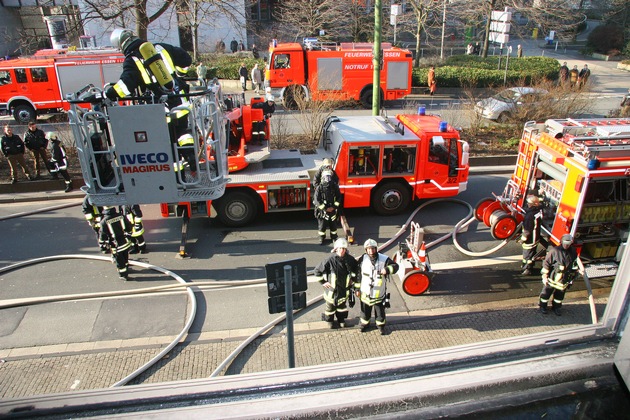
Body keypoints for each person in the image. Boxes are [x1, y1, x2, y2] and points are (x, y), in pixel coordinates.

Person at [106, 28, 192, 139]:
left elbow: (125, 86)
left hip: (159, 111)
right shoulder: (160, 47)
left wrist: (107, 95)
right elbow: (186, 60)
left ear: (121, 46)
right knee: (184, 136)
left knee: (164, 143)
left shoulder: (132, 60)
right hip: (181, 103)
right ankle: (190, 154)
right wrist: (180, 75)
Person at [355, 239, 399, 334]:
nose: (371, 251)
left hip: (379, 293)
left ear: (376, 249)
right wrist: (357, 289)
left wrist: (387, 269)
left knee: (380, 312)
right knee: (364, 312)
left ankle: (380, 326)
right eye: (368, 249)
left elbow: (396, 266)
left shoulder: (384, 259)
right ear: (366, 250)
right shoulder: (363, 259)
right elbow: (358, 275)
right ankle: (364, 324)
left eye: (372, 249)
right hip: (365, 293)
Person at [313, 238, 358, 329]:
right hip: (331, 291)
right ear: (336, 249)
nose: (342, 251)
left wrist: (353, 279)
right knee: (330, 309)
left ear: (346, 249)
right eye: (340, 248)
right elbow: (317, 270)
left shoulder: (350, 260)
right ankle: (330, 321)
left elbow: (356, 270)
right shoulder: (330, 260)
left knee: (342, 308)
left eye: (343, 249)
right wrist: (323, 282)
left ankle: (341, 320)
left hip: (343, 290)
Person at [539, 234, 580, 316]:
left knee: (559, 296)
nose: (566, 245)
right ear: (561, 242)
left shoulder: (573, 251)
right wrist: (544, 276)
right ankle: (543, 306)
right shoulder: (554, 251)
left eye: (568, 244)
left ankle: (556, 307)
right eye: (565, 243)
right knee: (546, 293)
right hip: (553, 277)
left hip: (564, 279)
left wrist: (574, 274)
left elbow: (574, 264)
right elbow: (546, 263)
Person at [99, 206, 132, 280]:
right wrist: (129, 236)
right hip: (125, 242)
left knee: (119, 260)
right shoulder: (121, 216)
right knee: (125, 256)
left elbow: (102, 235)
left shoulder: (104, 221)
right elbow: (129, 226)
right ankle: (126, 267)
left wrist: (102, 245)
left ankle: (123, 274)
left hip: (116, 245)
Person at [520, 195, 543, 275]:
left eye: (529, 203)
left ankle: (527, 269)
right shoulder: (538, 210)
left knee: (527, 255)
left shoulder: (530, 216)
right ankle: (527, 266)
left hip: (530, 239)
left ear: (533, 204)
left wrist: (523, 239)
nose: (528, 204)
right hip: (535, 236)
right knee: (532, 253)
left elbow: (527, 230)